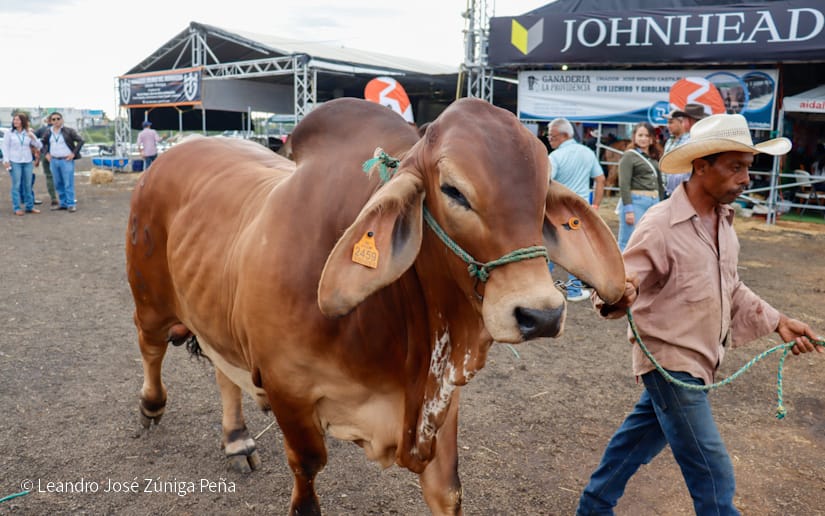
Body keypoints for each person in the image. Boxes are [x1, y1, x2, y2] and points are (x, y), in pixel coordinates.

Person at [576, 113, 823, 516]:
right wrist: (619, 295)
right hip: (671, 363)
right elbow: (617, 285)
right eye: (736, 167)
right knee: (712, 473)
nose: (746, 179)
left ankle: (592, 507)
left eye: (748, 168)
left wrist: (779, 321)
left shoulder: (723, 221)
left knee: (635, 442)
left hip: (701, 360)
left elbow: (732, 286)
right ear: (701, 166)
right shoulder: (660, 224)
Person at [546, 117, 605, 302]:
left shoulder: (554, 157)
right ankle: (574, 291)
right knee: (578, 250)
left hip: (556, 210)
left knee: (548, 247)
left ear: (564, 135)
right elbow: (600, 179)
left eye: (552, 135)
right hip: (580, 210)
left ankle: (545, 288)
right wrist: (595, 205)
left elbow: (546, 181)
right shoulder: (588, 152)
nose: (549, 138)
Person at [616, 122, 663, 251]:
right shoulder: (629, 156)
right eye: (640, 135)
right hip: (636, 201)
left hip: (654, 201)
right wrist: (628, 209)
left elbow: (659, 183)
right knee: (627, 240)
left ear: (652, 138)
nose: (643, 139)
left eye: (647, 135)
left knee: (649, 239)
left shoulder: (654, 157)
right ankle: (622, 271)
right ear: (634, 137)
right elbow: (624, 184)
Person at [41, 112, 84, 213]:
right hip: (54, 160)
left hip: (66, 160)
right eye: (53, 119)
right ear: (50, 121)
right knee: (58, 183)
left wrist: (73, 153)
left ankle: (71, 204)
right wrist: (46, 153)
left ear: (62, 120)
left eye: (58, 119)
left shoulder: (69, 131)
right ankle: (63, 203)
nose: (56, 121)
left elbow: (81, 141)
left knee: (68, 182)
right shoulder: (48, 132)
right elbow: (42, 143)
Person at [2, 112, 43, 215]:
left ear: (23, 121)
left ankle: (29, 206)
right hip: (15, 161)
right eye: (14, 119)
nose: (15, 121)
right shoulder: (9, 133)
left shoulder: (28, 133)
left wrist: (33, 137)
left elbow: (39, 145)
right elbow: (5, 147)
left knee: (28, 185)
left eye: (18, 119)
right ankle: (17, 208)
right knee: (16, 185)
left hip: (27, 161)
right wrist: (6, 160)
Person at [663, 103, 707, 197]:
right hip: (682, 192)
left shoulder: (691, 141)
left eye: (684, 119)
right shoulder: (694, 140)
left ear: (689, 121)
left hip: (685, 193)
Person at [34, 116, 58, 206]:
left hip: (45, 154)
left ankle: (53, 197)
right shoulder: (60, 130)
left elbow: (34, 140)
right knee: (62, 176)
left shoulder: (42, 129)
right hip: (58, 155)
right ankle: (65, 197)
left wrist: (36, 153)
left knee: (49, 176)